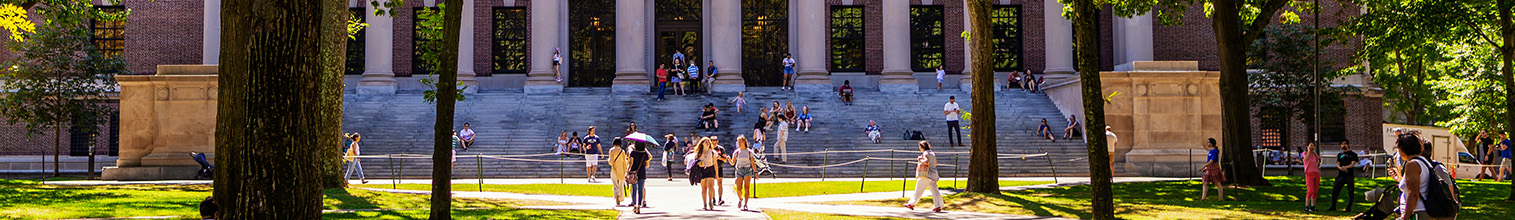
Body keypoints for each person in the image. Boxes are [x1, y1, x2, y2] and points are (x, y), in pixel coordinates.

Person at [1388, 135, 1432, 220]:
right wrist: (1398, 178)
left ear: (1403, 149)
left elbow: (1413, 194)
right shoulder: (1423, 162)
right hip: (1424, 211)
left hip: (1417, 212)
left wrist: (1405, 217)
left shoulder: (1412, 164)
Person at [903, 141, 943, 212]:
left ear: (922, 147)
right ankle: (938, 205)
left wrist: (920, 159)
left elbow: (926, 161)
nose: (920, 149)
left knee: (918, 190)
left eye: (920, 147)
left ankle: (911, 203)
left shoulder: (925, 153)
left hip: (926, 175)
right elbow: (936, 163)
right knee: (935, 190)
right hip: (933, 174)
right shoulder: (932, 153)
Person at [1328, 139, 1359, 212]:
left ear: (1348, 144)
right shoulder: (1340, 154)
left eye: (1345, 144)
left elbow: (1353, 164)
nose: (1343, 145)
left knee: (1351, 191)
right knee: (1335, 191)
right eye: (1342, 144)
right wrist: (1340, 168)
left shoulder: (1353, 154)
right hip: (1340, 175)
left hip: (1349, 175)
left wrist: (1346, 167)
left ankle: (1349, 207)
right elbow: (1338, 163)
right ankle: (1333, 206)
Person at [731, 135, 759, 211]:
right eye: (738, 142)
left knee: (747, 188)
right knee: (738, 189)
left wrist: (756, 172)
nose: (739, 143)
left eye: (740, 142)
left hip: (747, 170)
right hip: (739, 170)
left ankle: (745, 204)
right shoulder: (737, 152)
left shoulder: (749, 152)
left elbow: (753, 162)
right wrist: (728, 159)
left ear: (744, 142)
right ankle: (740, 199)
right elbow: (733, 162)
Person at [695, 138, 723, 210]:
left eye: (708, 142)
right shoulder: (699, 152)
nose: (707, 143)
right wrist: (699, 163)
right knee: (704, 188)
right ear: (702, 143)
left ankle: (710, 201)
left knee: (711, 186)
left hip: (710, 169)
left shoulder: (712, 152)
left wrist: (716, 174)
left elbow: (715, 164)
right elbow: (694, 162)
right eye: (705, 142)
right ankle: (704, 203)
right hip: (702, 171)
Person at [628, 141, 652, 213]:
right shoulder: (645, 154)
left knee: (634, 189)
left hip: (633, 173)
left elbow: (631, 163)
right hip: (642, 173)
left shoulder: (633, 153)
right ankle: (639, 205)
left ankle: (634, 205)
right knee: (640, 190)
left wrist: (627, 171)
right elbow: (647, 165)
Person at [608, 138, 630, 206]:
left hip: (614, 169)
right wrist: (626, 170)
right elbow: (624, 162)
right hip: (621, 169)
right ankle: (620, 197)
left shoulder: (611, 150)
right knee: (620, 184)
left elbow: (611, 162)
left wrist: (608, 160)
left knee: (615, 184)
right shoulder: (622, 151)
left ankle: (616, 194)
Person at [1302, 142, 1321, 212]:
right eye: (1310, 145)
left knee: (1315, 191)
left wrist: (1317, 164)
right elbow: (1305, 158)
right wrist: (1309, 151)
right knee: (1310, 190)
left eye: (1313, 146)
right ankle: (1306, 206)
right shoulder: (1305, 153)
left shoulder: (1315, 154)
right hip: (1309, 173)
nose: (1312, 147)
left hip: (1316, 173)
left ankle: (1313, 206)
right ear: (1307, 146)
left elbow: (1319, 159)